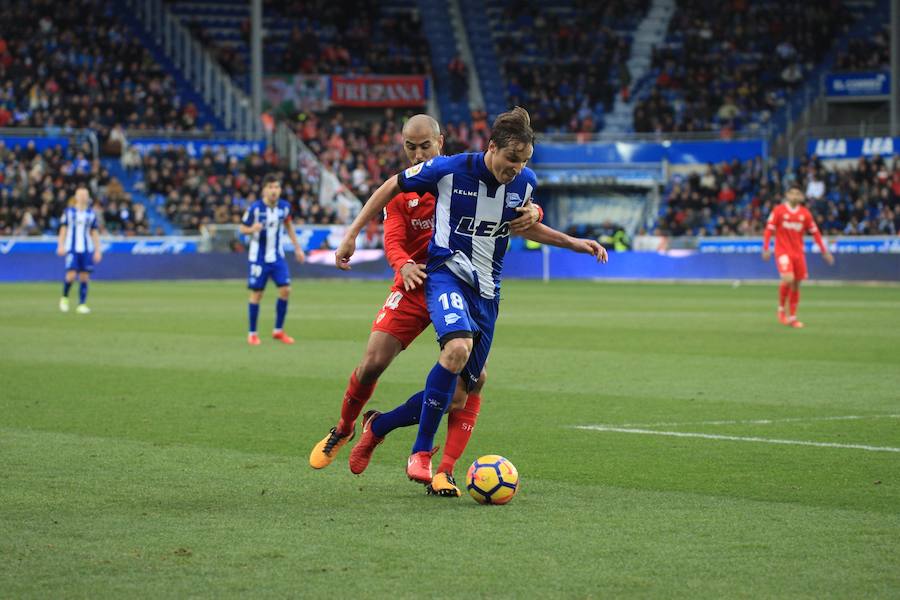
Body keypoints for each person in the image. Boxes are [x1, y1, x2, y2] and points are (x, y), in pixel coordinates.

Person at [334, 107, 608, 488]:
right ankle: (422, 453)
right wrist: (350, 235)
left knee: (464, 390)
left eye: (524, 161)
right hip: (445, 275)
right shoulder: (448, 169)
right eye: (512, 159)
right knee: (455, 349)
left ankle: (384, 429)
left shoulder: (525, 183)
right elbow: (392, 185)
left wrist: (574, 242)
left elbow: (525, 226)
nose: (516, 168)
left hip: (488, 290)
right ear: (492, 147)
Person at [308, 114, 540, 494]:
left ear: (440, 143)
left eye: (424, 147)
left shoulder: (462, 177)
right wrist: (402, 264)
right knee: (373, 363)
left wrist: (535, 211)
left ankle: (417, 451)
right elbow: (393, 239)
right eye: (410, 148)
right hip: (416, 282)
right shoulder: (407, 189)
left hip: (460, 283)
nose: (417, 154)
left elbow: (512, 207)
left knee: (466, 382)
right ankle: (344, 428)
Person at [239, 173, 306, 345]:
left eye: (276, 187)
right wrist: (252, 228)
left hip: (277, 256)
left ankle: (278, 331)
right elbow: (242, 228)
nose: (274, 190)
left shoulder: (284, 207)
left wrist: (297, 248)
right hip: (258, 258)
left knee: (286, 290)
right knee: (257, 294)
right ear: (264, 190)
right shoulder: (254, 208)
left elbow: (288, 225)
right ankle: (252, 333)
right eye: (270, 187)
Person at [762, 183, 834, 328]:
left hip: (798, 253)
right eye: (792, 193)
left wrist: (824, 251)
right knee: (788, 278)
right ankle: (781, 310)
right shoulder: (778, 211)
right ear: (787, 195)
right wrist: (766, 248)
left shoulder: (805, 214)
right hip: (782, 251)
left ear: (801, 197)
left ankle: (793, 317)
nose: (794, 196)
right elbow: (769, 230)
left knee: (796, 284)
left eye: (797, 193)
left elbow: (815, 233)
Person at [57, 186, 102, 314]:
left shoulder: (91, 214)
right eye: (80, 194)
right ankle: (64, 298)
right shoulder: (68, 212)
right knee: (71, 275)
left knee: (84, 277)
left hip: (86, 249)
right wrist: (60, 245)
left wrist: (98, 250)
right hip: (72, 248)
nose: (83, 197)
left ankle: (82, 304)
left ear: (88, 198)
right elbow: (63, 230)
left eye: (85, 195)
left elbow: (94, 233)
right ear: (76, 197)